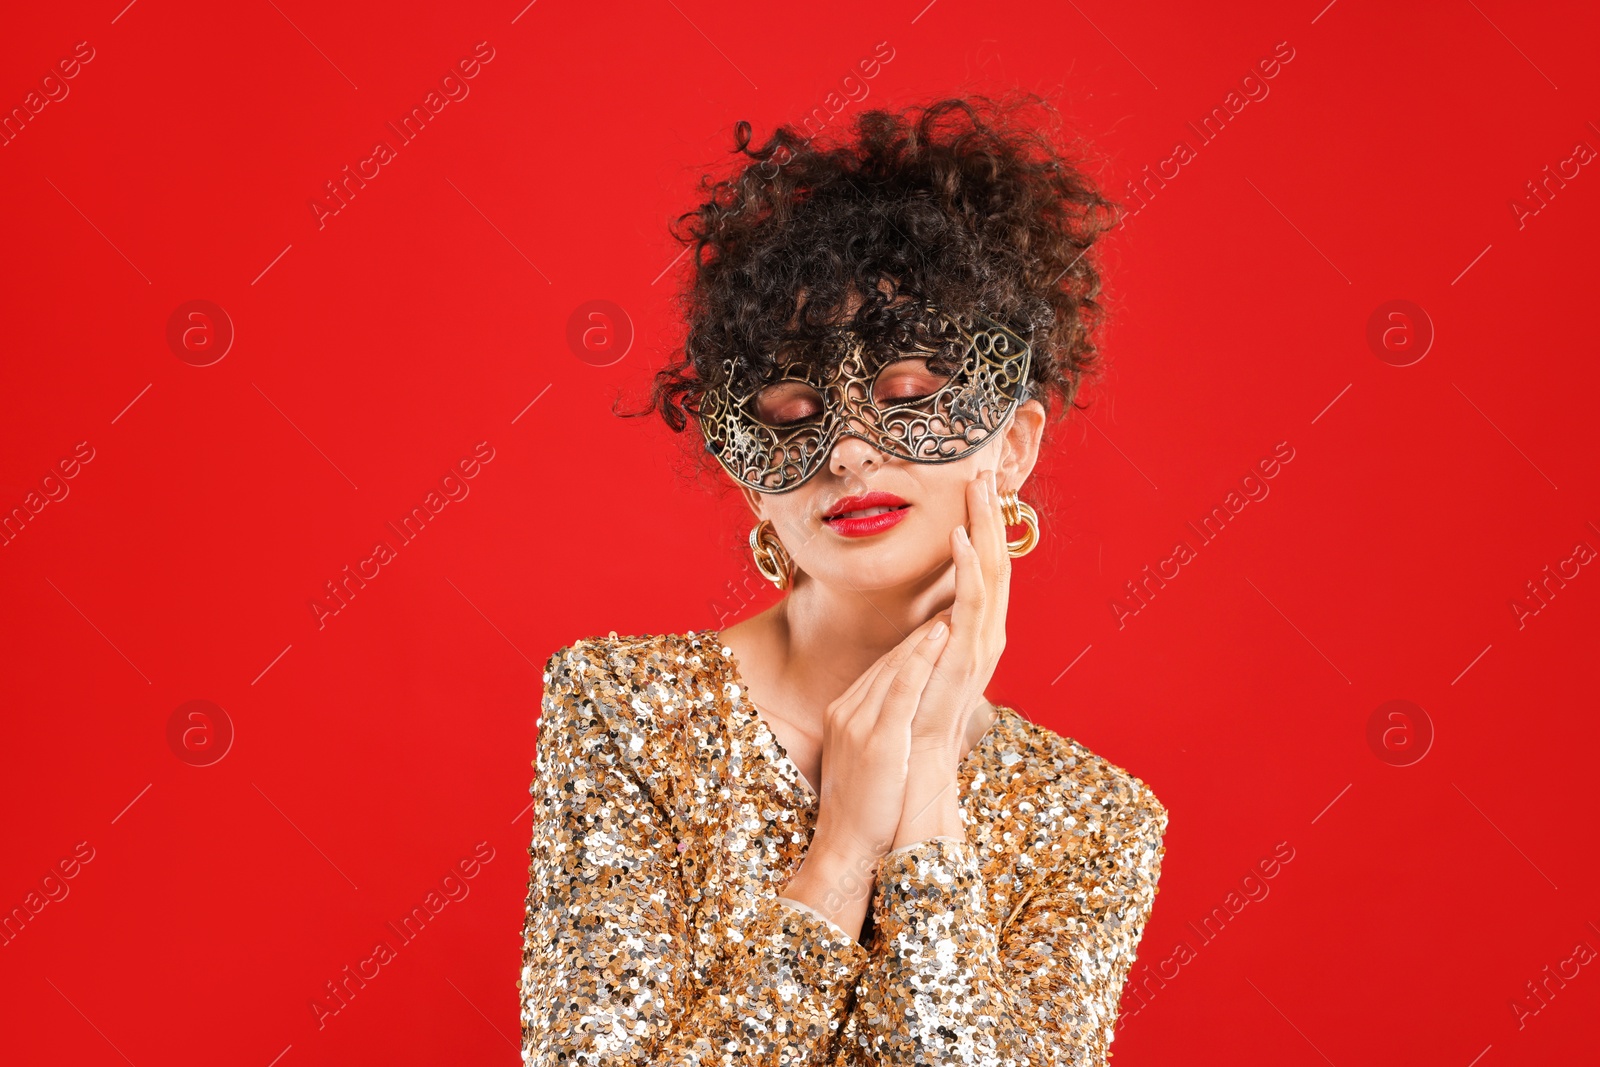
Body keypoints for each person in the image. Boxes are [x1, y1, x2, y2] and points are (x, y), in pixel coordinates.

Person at [519, 93, 1168, 1066]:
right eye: (792, 408)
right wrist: (839, 854)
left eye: (909, 396)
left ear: (1015, 444)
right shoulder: (625, 711)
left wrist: (928, 794)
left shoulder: (1097, 819)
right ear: (749, 475)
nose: (854, 451)